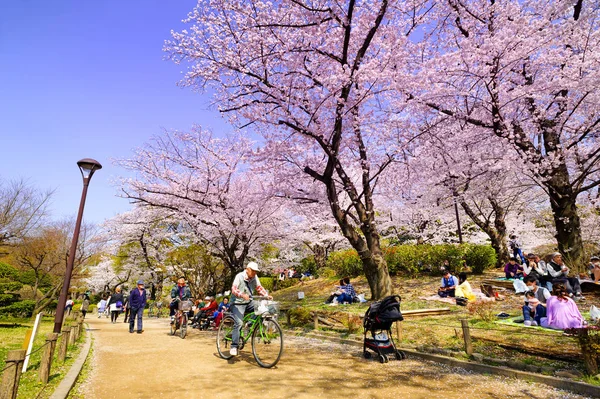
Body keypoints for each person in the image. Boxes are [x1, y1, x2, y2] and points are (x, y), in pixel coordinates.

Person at [229, 262, 271, 356]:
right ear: (247, 269)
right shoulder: (239, 276)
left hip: (248, 302)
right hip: (237, 303)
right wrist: (242, 295)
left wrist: (266, 296)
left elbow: (259, 288)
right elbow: (234, 289)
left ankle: (249, 323)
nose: (254, 273)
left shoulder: (255, 278)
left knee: (261, 308)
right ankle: (234, 346)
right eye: (253, 271)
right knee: (239, 323)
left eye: (256, 271)